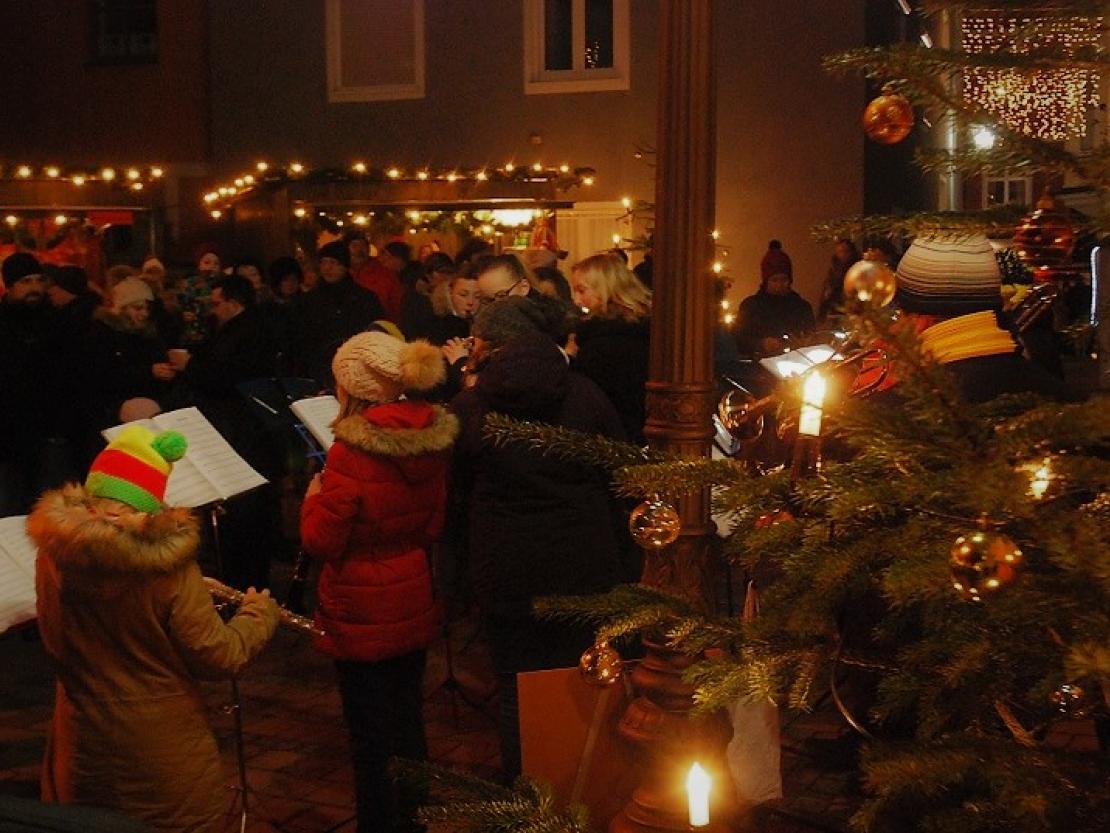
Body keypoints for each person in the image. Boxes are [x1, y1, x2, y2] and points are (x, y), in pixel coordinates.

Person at [29, 425, 279, 833]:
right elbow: (220, 655)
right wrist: (257, 614)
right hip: (161, 755)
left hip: (78, 746)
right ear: (150, 504)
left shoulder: (53, 554)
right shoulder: (167, 570)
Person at [450, 297, 627, 777]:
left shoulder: (470, 406)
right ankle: (583, 786)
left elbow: (457, 493)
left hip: (506, 568)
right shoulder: (586, 395)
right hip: (583, 563)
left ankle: (526, 794)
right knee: (583, 678)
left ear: (490, 345)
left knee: (515, 685)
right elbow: (619, 475)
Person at [300, 331, 457, 833]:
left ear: (352, 386)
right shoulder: (429, 438)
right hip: (412, 587)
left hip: (360, 605)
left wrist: (312, 497)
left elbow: (323, 539)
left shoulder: (350, 452)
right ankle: (416, 819)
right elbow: (434, 523)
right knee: (408, 721)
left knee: (369, 737)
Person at [0, 252, 65, 514]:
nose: (35, 288)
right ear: (11, 286)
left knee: (50, 511)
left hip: (51, 434)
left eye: (39, 280)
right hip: (8, 436)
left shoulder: (57, 322)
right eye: (26, 281)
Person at [569, 252, 652, 444]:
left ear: (605, 288)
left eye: (582, 291)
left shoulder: (600, 343)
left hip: (613, 440)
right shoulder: (644, 328)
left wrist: (570, 357)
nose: (576, 300)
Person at [292, 240, 386, 389]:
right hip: (319, 370)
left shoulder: (364, 298)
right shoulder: (308, 300)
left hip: (355, 369)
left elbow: (376, 332)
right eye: (324, 262)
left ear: (345, 266)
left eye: (334, 263)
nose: (328, 268)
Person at [734, 241, 815, 357]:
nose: (779, 285)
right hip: (761, 364)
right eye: (774, 280)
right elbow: (739, 339)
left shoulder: (802, 307)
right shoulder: (750, 306)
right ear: (766, 281)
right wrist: (761, 344)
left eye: (783, 280)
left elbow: (812, 337)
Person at [818, 238, 861, 323]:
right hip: (836, 310)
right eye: (840, 252)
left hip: (853, 309)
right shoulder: (834, 270)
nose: (843, 255)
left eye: (846, 251)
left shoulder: (856, 269)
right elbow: (827, 290)